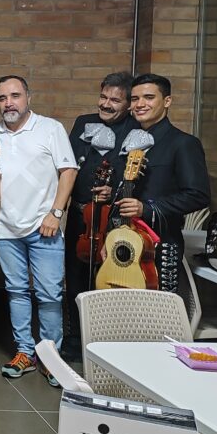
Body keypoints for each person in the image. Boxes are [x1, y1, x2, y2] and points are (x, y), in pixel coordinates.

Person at [0, 75, 77, 387]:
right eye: (2, 98)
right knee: (16, 292)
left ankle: (51, 357)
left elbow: (68, 171)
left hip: (46, 227)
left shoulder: (50, 128)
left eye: (15, 95)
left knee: (49, 294)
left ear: (29, 97)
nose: (8, 103)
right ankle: (25, 352)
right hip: (8, 229)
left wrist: (56, 212)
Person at [62, 71, 137, 360]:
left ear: (128, 104)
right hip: (80, 215)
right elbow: (68, 164)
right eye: (103, 97)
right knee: (75, 277)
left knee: (107, 279)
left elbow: (136, 176)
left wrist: (114, 193)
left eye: (115, 100)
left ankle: (103, 340)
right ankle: (73, 337)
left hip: (114, 220)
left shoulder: (134, 130)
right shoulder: (83, 123)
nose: (106, 104)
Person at [114, 73, 210, 265]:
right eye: (135, 99)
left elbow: (198, 195)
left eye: (149, 98)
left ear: (167, 101)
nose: (140, 104)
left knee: (155, 296)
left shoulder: (183, 143)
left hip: (160, 245)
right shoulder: (129, 142)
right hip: (122, 242)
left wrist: (147, 209)